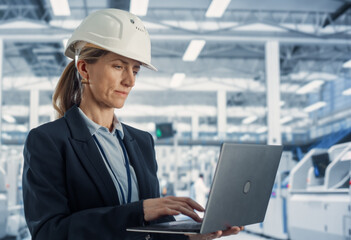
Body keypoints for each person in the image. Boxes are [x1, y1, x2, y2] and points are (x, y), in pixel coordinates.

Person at [22, 8, 243, 240]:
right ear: (85, 69)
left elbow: (154, 230)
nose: (129, 81)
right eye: (118, 66)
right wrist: (139, 211)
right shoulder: (48, 141)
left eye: (135, 70)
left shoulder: (142, 141)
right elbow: (48, 233)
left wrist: (189, 236)